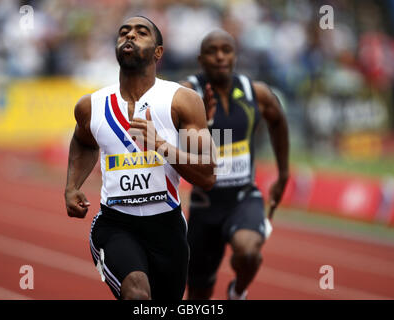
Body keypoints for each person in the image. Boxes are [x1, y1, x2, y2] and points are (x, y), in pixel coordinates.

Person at [64, 16, 216, 300]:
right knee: (137, 294)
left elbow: (207, 174)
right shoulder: (91, 106)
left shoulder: (183, 100)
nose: (130, 36)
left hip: (167, 227)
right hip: (115, 225)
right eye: (124, 32)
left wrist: (161, 145)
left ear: (158, 51)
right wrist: (72, 186)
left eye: (141, 32)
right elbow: (83, 142)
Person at [180, 29, 289, 300]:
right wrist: (196, 120)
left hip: (243, 197)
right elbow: (164, 131)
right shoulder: (187, 92)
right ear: (200, 58)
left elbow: (278, 120)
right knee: (198, 294)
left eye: (226, 50)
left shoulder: (256, 93)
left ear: (235, 55)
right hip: (204, 205)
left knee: (249, 253)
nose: (219, 56)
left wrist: (283, 172)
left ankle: (237, 292)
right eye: (212, 51)